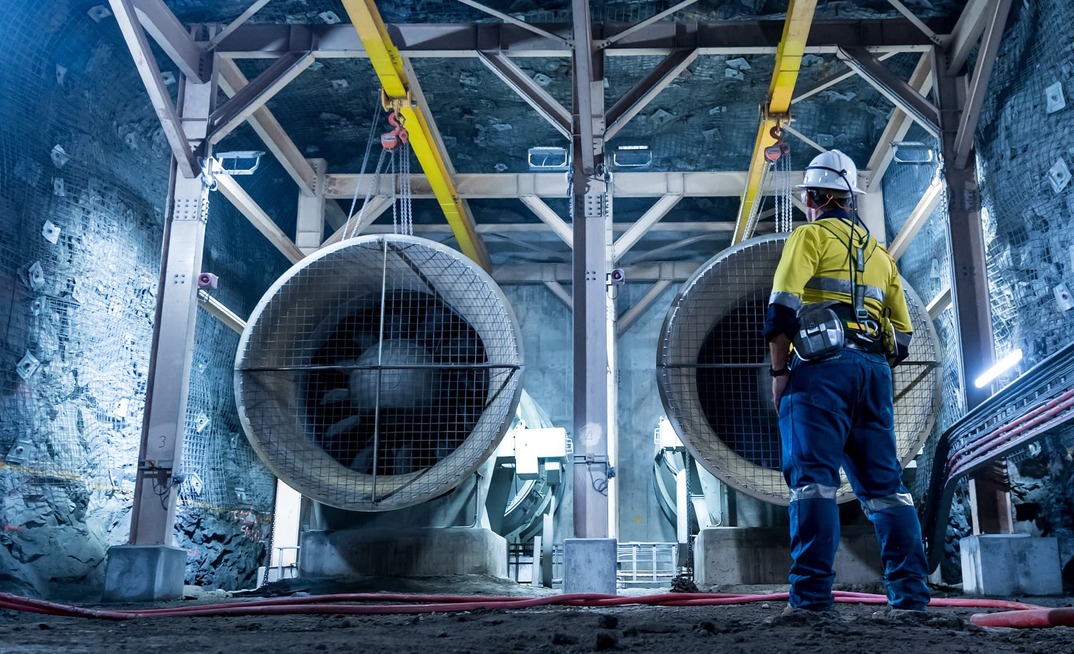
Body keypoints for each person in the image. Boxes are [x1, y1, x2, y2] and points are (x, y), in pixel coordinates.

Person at [762, 149, 930, 613]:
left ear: (814, 197)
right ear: (851, 198)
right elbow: (903, 338)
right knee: (886, 488)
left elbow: (780, 311)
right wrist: (867, 366)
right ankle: (911, 599)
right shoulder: (881, 256)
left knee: (813, 484)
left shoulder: (809, 236)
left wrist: (780, 374)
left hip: (819, 374)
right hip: (873, 372)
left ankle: (812, 601)